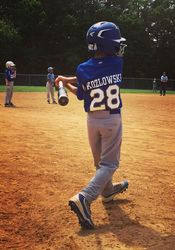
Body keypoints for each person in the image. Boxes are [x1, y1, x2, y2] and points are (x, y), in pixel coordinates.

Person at [55, 21, 129, 229]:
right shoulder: (117, 63)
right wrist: (68, 79)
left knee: (100, 164)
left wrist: (65, 82)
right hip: (111, 119)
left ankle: (107, 191)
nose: (118, 47)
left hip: (92, 121)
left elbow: (81, 91)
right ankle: (85, 197)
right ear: (107, 45)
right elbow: (101, 73)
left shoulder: (82, 69)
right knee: (109, 164)